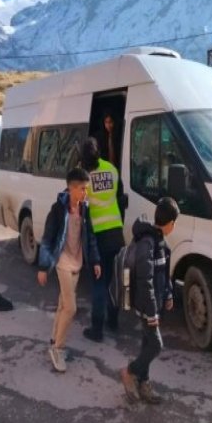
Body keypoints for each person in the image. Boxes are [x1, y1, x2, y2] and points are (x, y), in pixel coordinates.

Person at [37, 168, 101, 372]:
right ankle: (58, 348)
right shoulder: (57, 209)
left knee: (63, 304)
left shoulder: (85, 208)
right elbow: (47, 239)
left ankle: (54, 339)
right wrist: (43, 267)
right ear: (72, 188)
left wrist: (96, 260)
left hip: (78, 261)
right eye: (83, 189)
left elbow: (90, 236)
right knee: (71, 308)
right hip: (62, 261)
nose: (86, 193)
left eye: (87, 189)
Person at [120, 197, 178, 405]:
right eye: (175, 223)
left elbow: (164, 273)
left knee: (147, 344)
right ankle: (130, 371)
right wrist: (152, 312)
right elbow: (145, 281)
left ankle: (143, 383)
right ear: (170, 223)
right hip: (146, 306)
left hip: (155, 304)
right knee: (156, 345)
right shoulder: (148, 243)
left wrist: (169, 294)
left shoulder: (160, 242)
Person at [80, 137, 125, 343]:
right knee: (113, 280)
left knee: (98, 283)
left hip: (96, 237)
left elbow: (79, 208)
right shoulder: (112, 170)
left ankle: (96, 330)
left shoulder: (83, 177)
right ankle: (114, 322)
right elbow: (120, 199)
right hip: (116, 234)